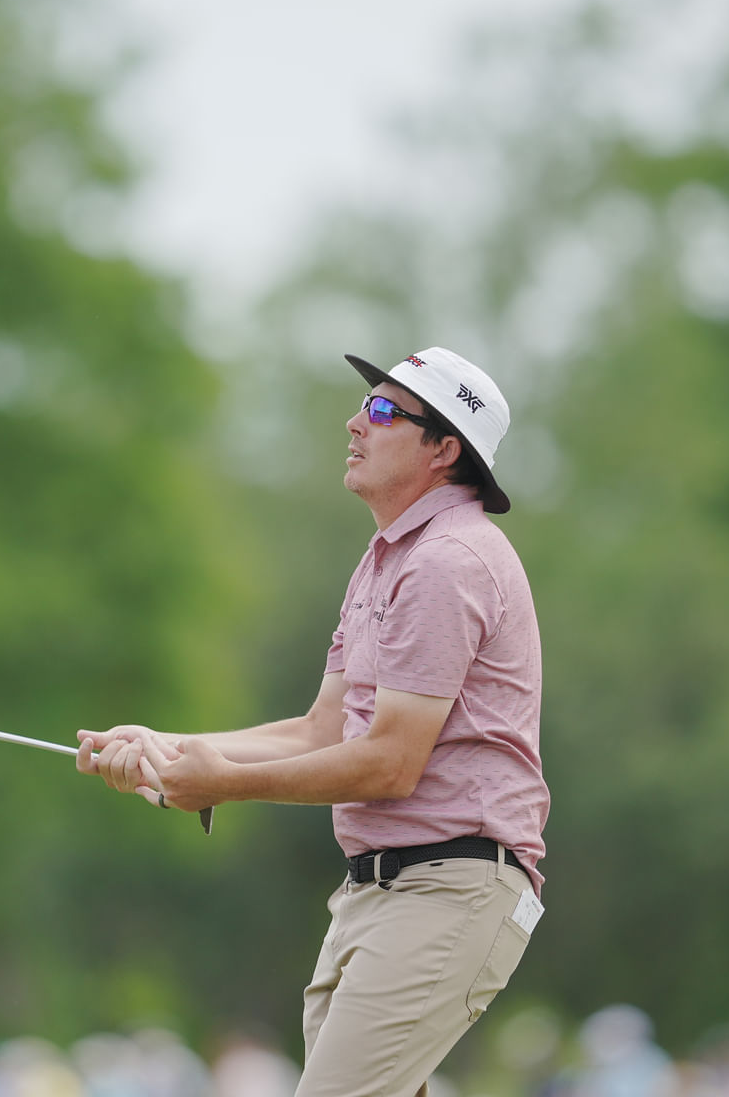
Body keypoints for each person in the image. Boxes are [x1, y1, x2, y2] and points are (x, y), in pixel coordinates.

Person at [76, 347, 549, 1097]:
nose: (357, 421)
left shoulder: (446, 563)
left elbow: (390, 763)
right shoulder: (385, 560)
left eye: (387, 411)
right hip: (378, 894)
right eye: (368, 405)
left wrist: (222, 784)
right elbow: (321, 730)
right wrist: (168, 747)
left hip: (449, 889)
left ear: (445, 450)